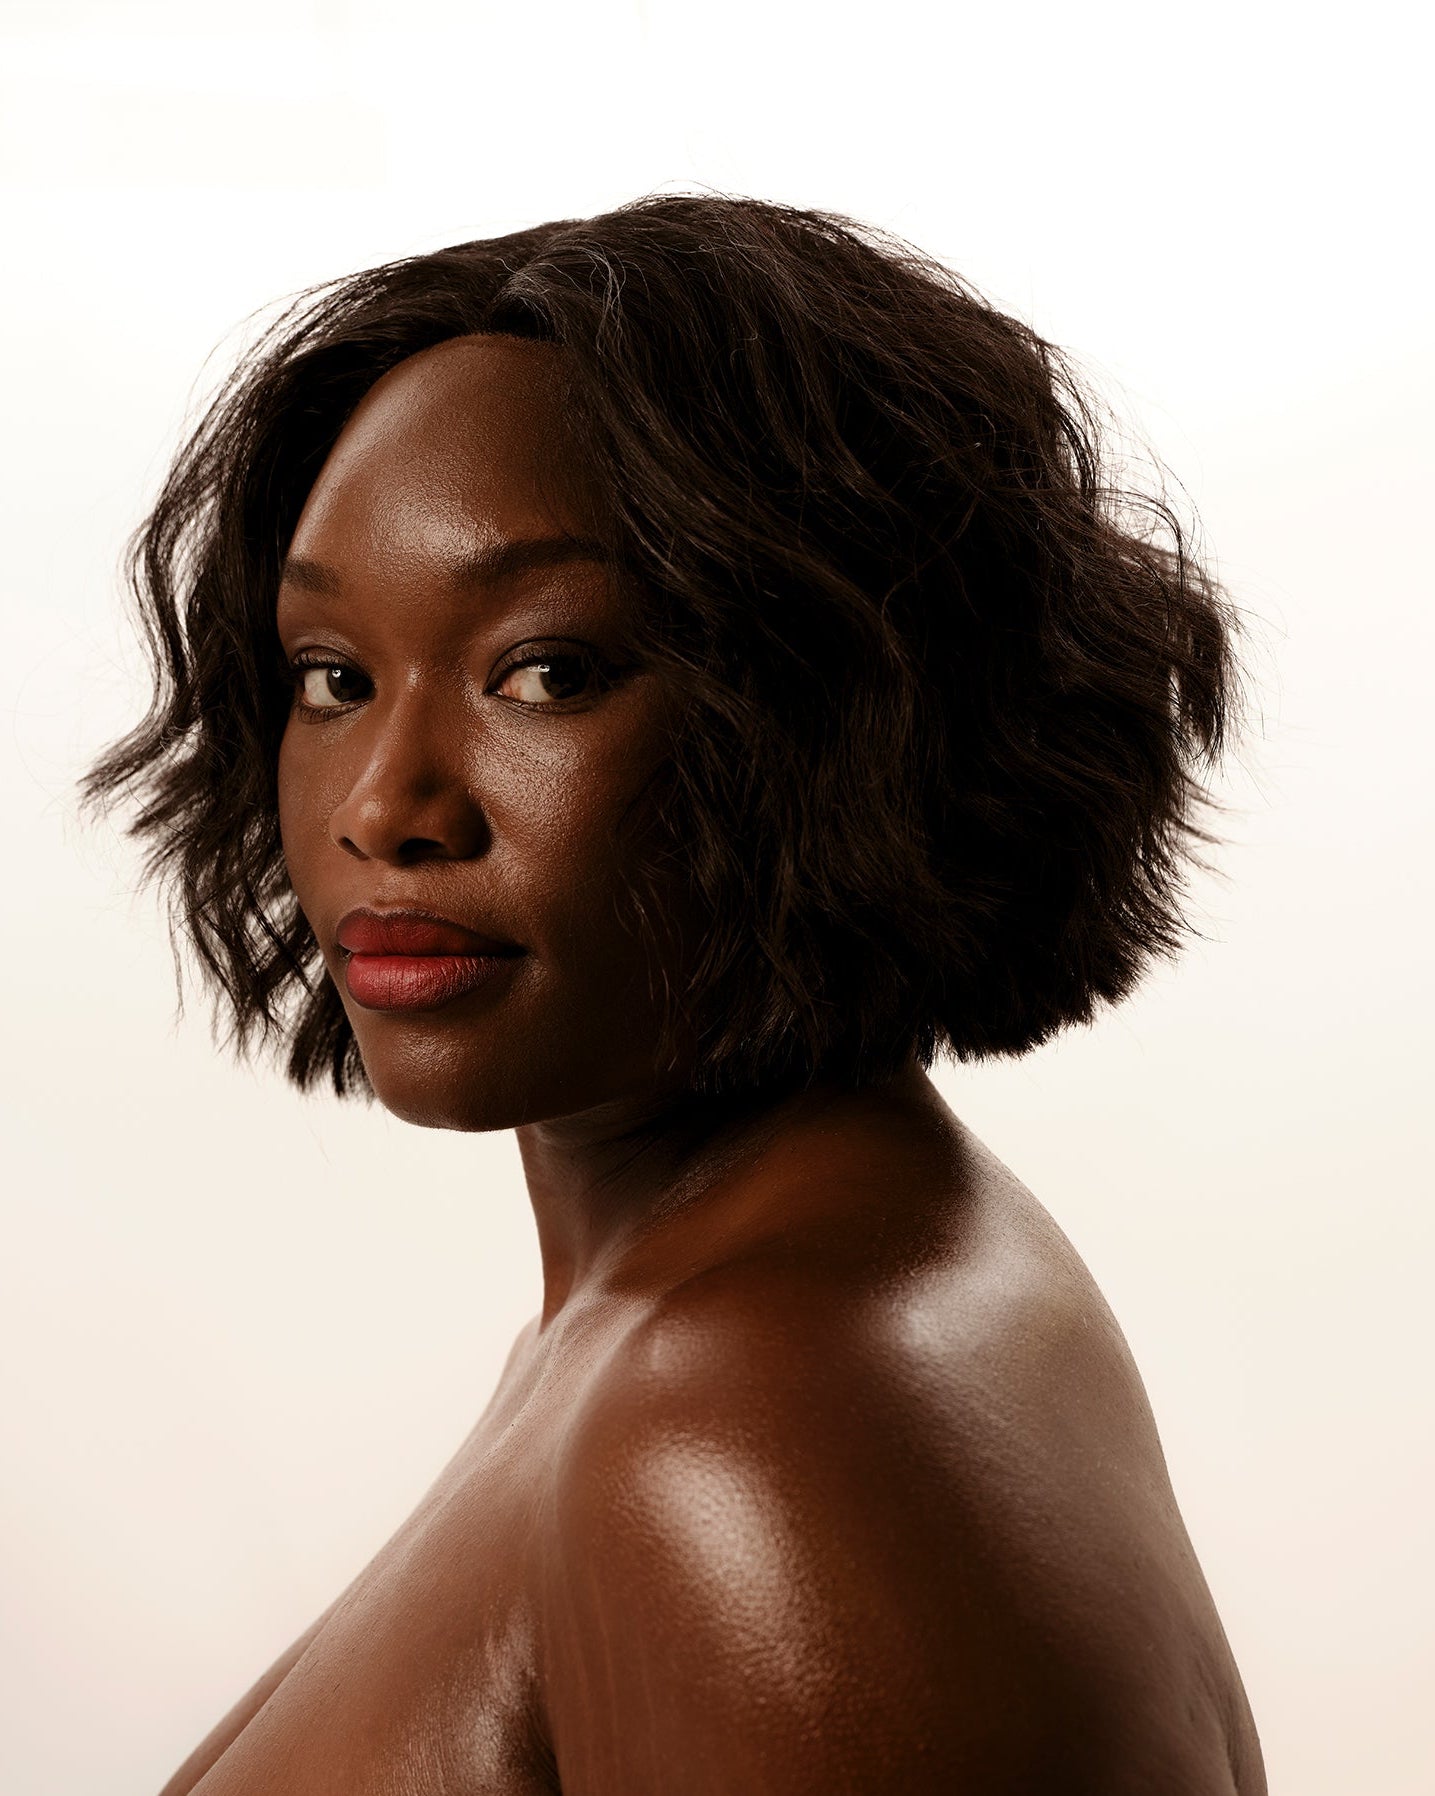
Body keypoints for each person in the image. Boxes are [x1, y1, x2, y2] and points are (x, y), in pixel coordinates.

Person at [85, 192, 1266, 1794]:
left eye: (546, 670)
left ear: (847, 711)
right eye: (333, 677)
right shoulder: (730, 1305)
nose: (385, 803)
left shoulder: (748, 1419)